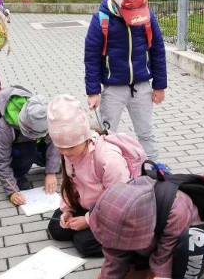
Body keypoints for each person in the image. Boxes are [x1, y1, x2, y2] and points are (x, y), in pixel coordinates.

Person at [88, 177, 204, 279]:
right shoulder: (121, 204)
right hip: (152, 246)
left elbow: (163, 260)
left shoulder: (177, 209)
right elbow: (114, 253)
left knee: (187, 248)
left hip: (184, 249)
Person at [84, 0, 167, 164]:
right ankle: (106, 165)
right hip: (113, 89)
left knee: (145, 131)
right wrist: (93, 91)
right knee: (108, 133)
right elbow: (91, 58)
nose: (135, 17)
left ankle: (153, 166)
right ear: (116, 3)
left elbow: (158, 51)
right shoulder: (101, 20)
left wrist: (159, 86)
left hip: (142, 86)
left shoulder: (147, 18)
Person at [46, 94, 141, 257]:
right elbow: (70, 182)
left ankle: (126, 243)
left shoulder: (108, 159)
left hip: (113, 211)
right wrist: (67, 209)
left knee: (83, 243)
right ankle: (86, 228)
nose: (65, 152)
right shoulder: (71, 153)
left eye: (70, 147)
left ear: (85, 138)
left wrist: (88, 220)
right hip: (88, 204)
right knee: (56, 228)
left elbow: (119, 202)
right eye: (60, 147)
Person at [0, 85, 60, 205]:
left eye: (38, 135)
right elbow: (1, 161)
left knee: (60, 146)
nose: (34, 138)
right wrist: (11, 191)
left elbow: (53, 143)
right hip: (18, 150)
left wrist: (51, 172)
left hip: (32, 145)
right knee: (28, 150)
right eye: (32, 134)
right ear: (23, 122)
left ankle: (43, 161)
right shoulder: (4, 128)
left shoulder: (44, 115)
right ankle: (18, 175)